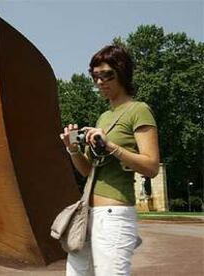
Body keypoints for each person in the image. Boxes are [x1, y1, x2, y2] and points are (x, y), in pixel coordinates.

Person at [60, 45, 159, 275]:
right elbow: (87, 171)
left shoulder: (138, 110)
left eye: (106, 75)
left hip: (114, 215)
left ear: (122, 73)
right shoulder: (104, 116)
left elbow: (151, 166)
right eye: (95, 76)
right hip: (86, 213)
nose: (99, 82)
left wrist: (111, 146)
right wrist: (73, 149)